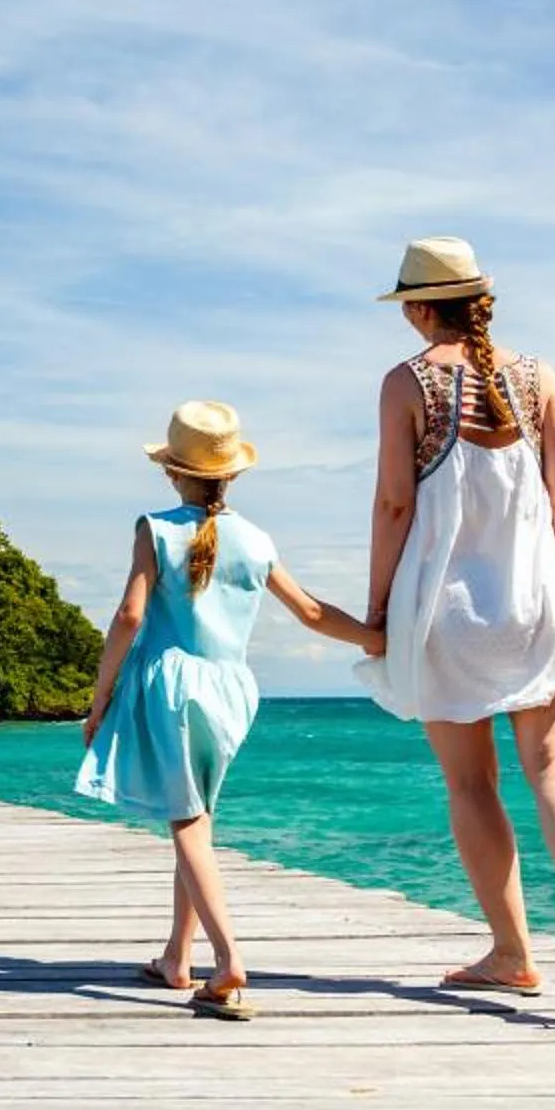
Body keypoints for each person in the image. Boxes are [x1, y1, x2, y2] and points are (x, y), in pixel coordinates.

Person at [355, 236, 555, 1025]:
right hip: (537, 596)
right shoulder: (541, 377)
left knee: (471, 783)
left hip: (443, 605)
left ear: (415, 308)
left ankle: (512, 953)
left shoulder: (405, 384)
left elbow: (395, 506)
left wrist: (378, 611)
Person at [78, 401, 384, 1018]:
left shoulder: (156, 529)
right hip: (232, 690)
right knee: (196, 817)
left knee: (186, 822)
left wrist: (100, 695)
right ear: (231, 474)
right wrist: (379, 641)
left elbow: (130, 616)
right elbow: (313, 613)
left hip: (171, 686)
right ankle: (176, 957)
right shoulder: (256, 539)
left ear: (171, 470)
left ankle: (228, 961)